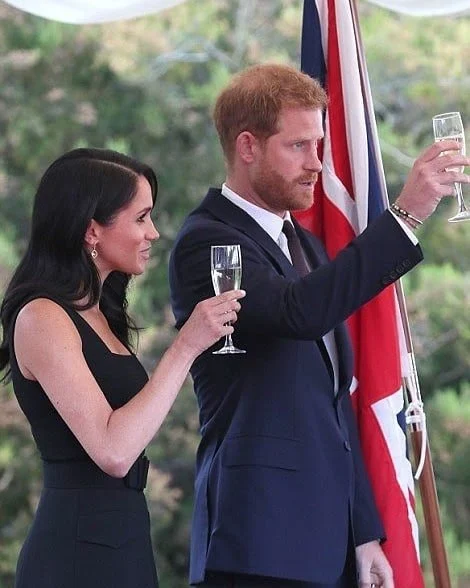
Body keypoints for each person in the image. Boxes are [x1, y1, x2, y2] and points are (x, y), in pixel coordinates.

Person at [169, 64, 470, 588]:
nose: (317, 163)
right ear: (247, 147)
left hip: (326, 544)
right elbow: (299, 312)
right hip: (257, 541)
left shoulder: (303, 244)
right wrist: (407, 214)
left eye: (320, 143)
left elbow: (333, 404)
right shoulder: (207, 242)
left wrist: (364, 532)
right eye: (298, 146)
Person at [0, 147, 245, 588]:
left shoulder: (99, 313)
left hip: (123, 540)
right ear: (93, 229)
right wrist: (185, 346)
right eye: (140, 218)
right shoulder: (42, 316)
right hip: (77, 554)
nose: (152, 232)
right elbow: (113, 451)